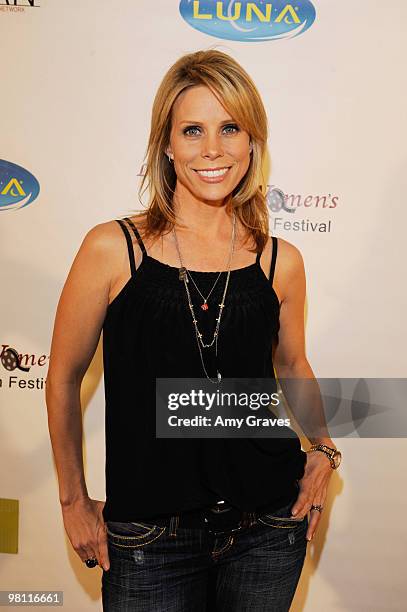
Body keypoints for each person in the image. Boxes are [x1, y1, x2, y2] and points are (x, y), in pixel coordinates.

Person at [46, 49, 342, 611]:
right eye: (192, 130)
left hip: (267, 530)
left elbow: (293, 366)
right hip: (149, 541)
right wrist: (72, 500)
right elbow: (62, 377)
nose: (212, 149)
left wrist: (325, 450)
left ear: (252, 141)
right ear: (166, 144)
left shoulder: (282, 261)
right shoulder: (112, 249)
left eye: (230, 127)